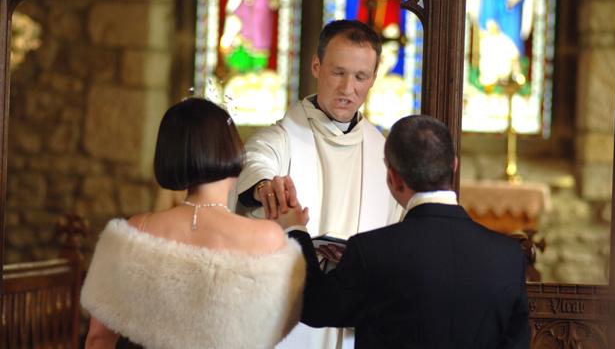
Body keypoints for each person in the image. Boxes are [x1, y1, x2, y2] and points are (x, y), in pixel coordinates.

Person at [283, 115, 530, 348]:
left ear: (393, 177)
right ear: (454, 165)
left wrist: (296, 229)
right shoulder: (508, 257)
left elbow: (315, 307)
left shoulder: (371, 252)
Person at [80, 98, 306, 349]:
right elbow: (281, 327)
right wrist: (293, 227)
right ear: (231, 149)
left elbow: (98, 338)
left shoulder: (134, 231)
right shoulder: (268, 238)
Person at [236, 19, 401, 348]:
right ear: (316, 66)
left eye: (360, 77)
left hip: (355, 316)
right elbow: (255, 162)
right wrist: (266, 186)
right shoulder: (282, 137)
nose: (347, 89)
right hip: (288, 310)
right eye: (338, 72)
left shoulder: (383, 153)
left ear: (373, 79)